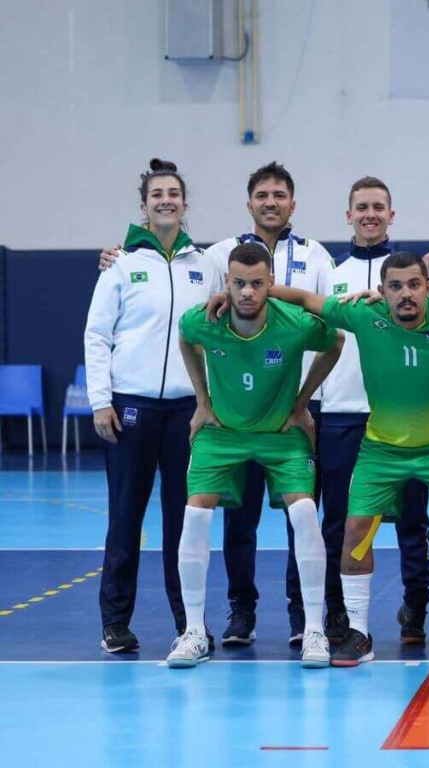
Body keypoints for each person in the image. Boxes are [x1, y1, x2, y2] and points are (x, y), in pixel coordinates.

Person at [99, 161, 334, 647]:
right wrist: (105, 398)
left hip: (248, 414)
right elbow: (113, 333)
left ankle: (296, 623)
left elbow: (328, 324)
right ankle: (183, 620)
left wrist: (303, 399)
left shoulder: (219, 260)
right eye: (262, 194)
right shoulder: (178, 260)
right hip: (177, 411)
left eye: (280, 194)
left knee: (209, 514)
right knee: (155, 516)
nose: (271, 202)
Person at [266, 252, 429, 666]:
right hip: (382, 448)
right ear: (383, 290)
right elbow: (303, 300)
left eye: (413, 285)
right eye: (395, 286)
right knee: (355, 530)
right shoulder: (363, 314)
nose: (405, 294)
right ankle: (358, 632)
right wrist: (245, 291)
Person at [170, 244, 343, 668]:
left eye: (257, 283)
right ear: (226, 284)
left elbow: (336, 340)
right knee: (195, 515)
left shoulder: (293, 324)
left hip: (280, 434)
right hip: (222, 432)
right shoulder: (205, 320)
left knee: (304, 513)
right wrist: (201, 401)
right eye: (239, 283)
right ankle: (193, 631)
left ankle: (315, 630)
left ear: (271, 284)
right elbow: (185, 339)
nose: (247, 292)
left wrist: (302, 402)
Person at [85, 159, 224, 654]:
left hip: (188, 414)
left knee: (184, 523)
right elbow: (98, 336)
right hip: (130, 410)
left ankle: (189, 624)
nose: (166, 200)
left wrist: (211, 403)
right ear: (144, 206)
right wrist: (101, 401)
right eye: (157, 194)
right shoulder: (121, 265)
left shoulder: (205, 266)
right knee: (125, 517)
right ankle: (115, 623)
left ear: (185, 205)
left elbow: (217, 338)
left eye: (174, 193)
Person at [317, 177, 429, 646]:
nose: (370, 214)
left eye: (378, 207)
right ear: (348, 216)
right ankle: (338, 614)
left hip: (403, 418)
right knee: (342, 520)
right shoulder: (331, 273)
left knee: (413, 520)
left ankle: (416, 607)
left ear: (392, 215)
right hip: (342, 413)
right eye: (361, 207)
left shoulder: (411, 277)